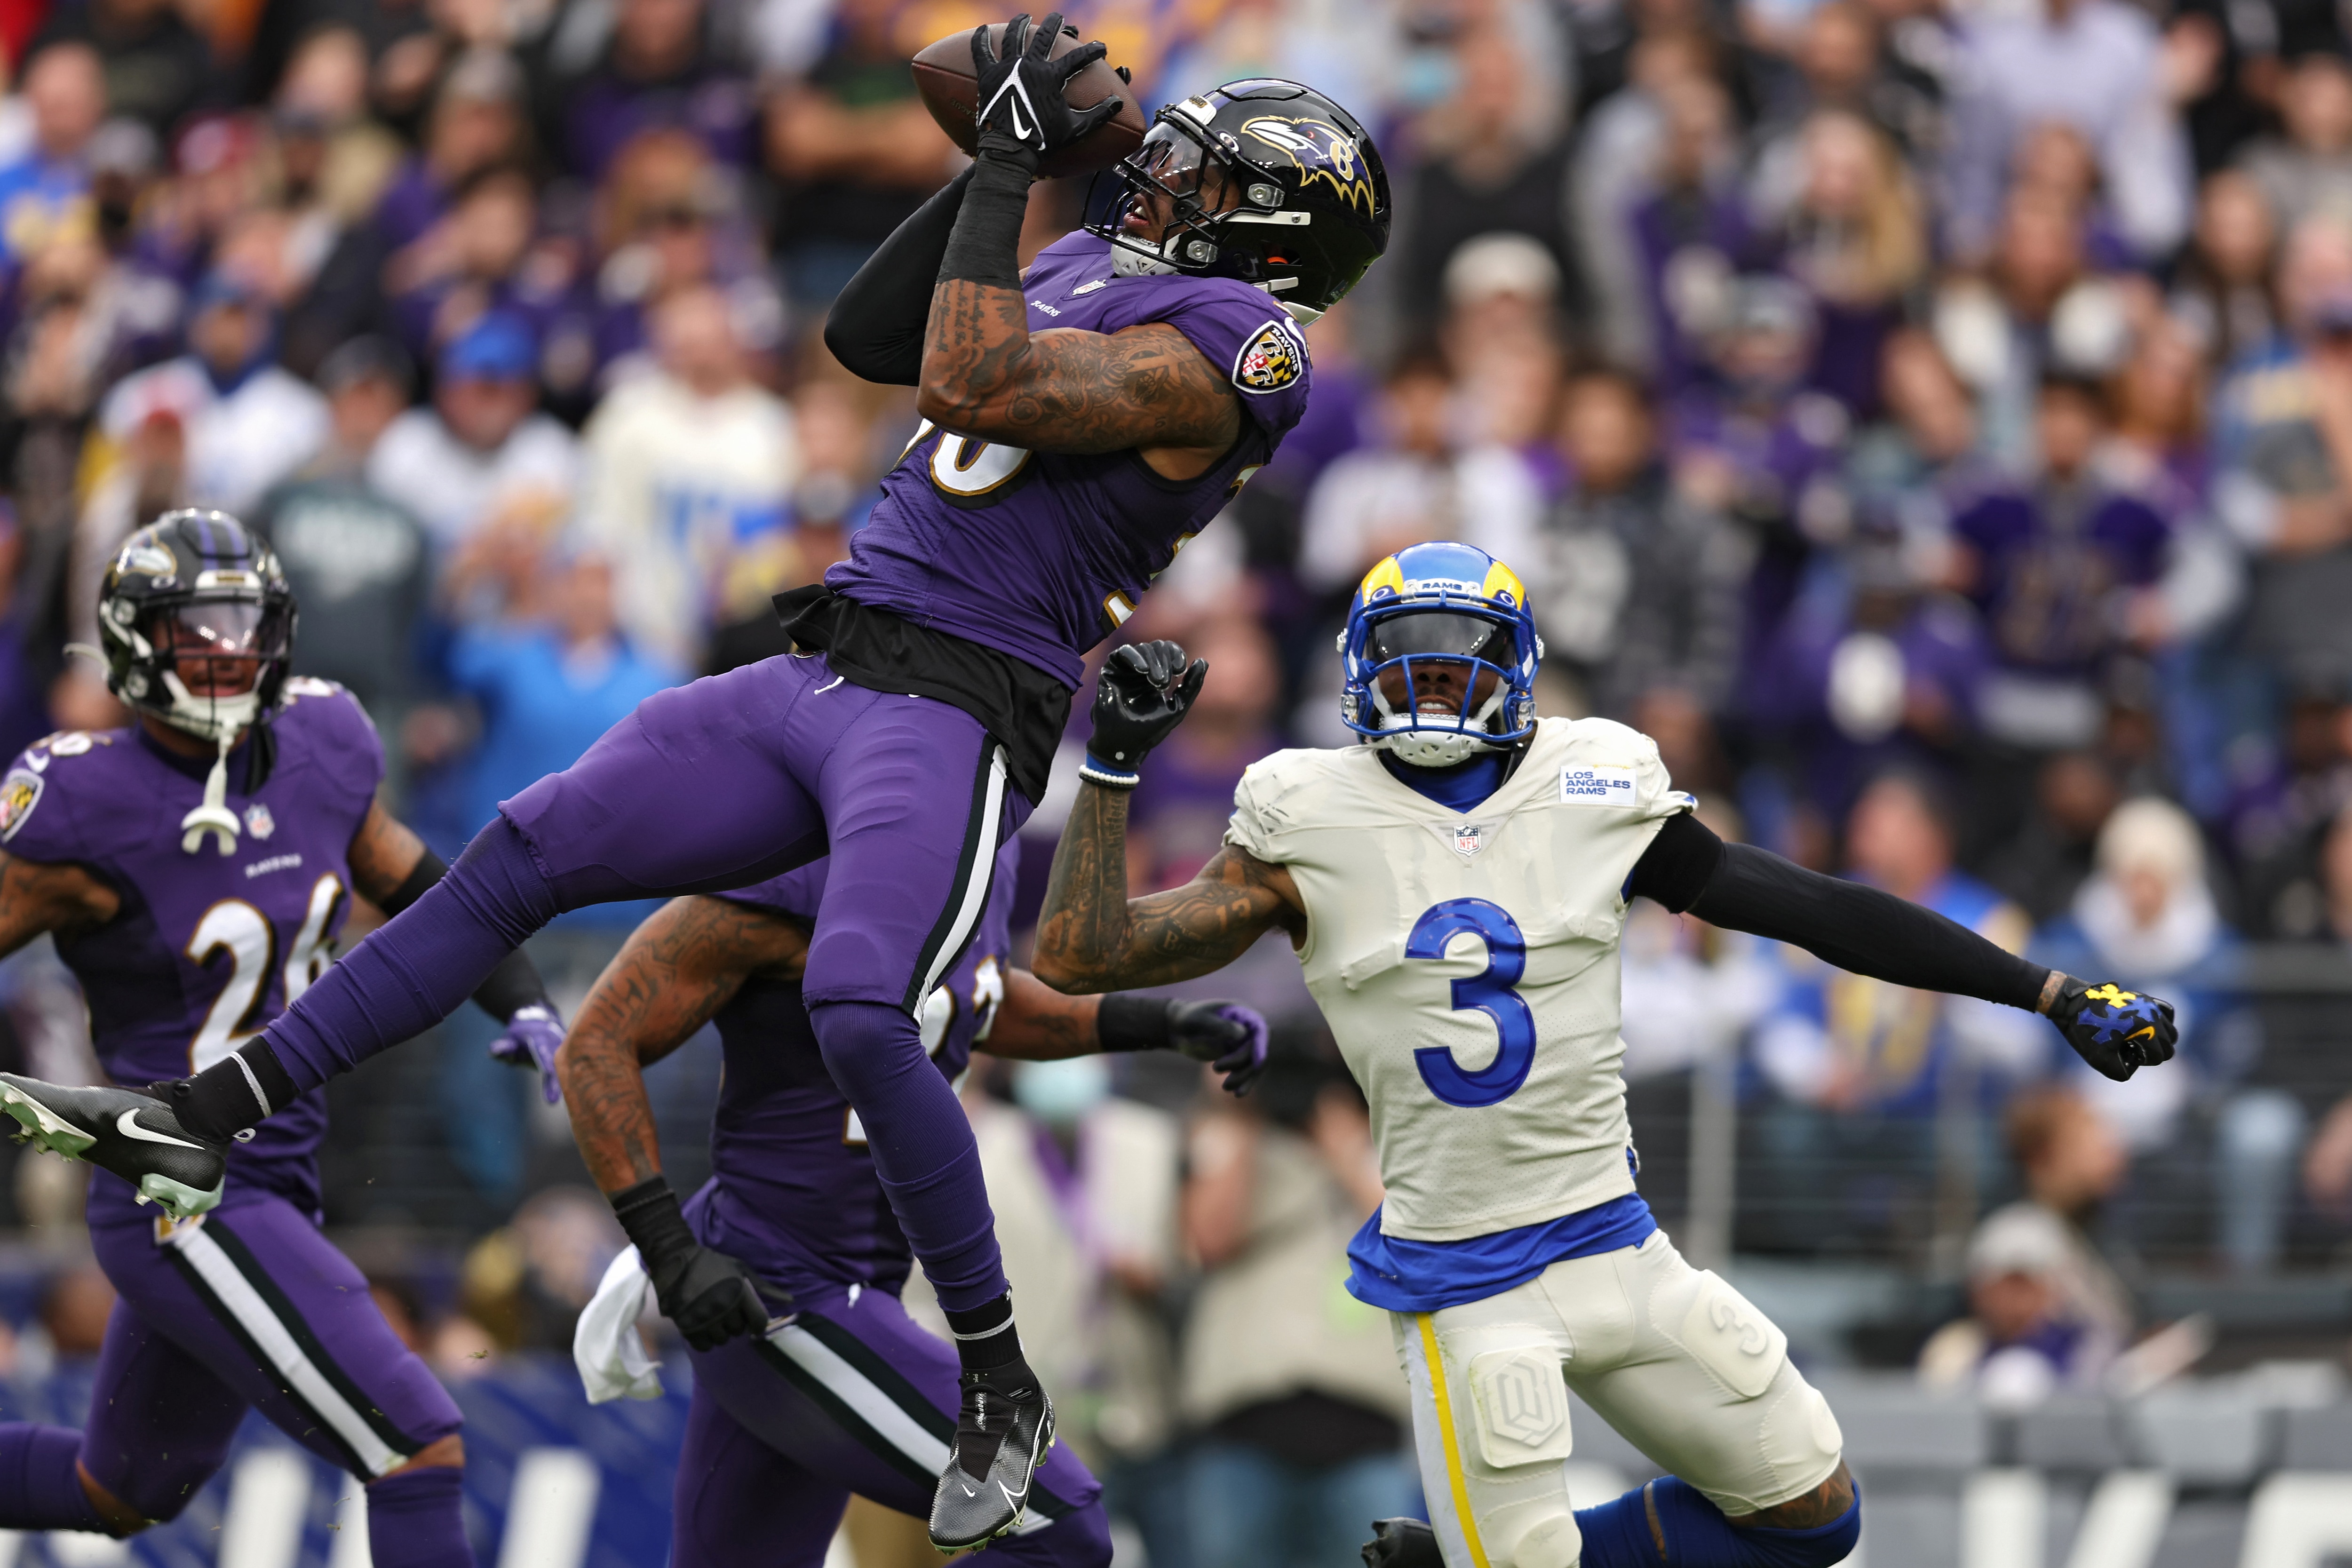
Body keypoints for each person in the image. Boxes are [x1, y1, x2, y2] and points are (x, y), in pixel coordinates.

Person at [0, 24, 1391, 1552]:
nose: (1164, 177)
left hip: (956, 699)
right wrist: (984, 162)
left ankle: (995, 1378)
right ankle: (210, 1113)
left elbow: (976, 377)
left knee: (862, 1006)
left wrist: (1007, 160)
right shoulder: (1087, 259)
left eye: (1207, 174)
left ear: (1274, 234)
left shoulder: (1247, 346)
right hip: (834, 654)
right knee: (522, 847)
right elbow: (872, 335)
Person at [1029, 540, 2180, 1568]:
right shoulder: (1306, 815)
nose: (1431, 683)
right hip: (1463, 1276)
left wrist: (2044, 988)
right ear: (1359, 668)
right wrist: (1112, 764)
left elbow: (1813, 907)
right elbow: (1081, 954)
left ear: (1516, 668)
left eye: (1457, 662)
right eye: (1409, 659)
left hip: (1613, 1239)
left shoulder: (1591, 782)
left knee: (1812, 1513)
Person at [0, 511, 563, 1565]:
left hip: (280, 1172)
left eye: (244, 623)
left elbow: (424, 891)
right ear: (133, 640)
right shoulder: (80, 797)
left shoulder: (323, 739)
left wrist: (519, 994)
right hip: (181, 1188)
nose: (227, 649)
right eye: (198, 627)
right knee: (416, 1440)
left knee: (119, 1489)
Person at [555, 840, 1267, 1568]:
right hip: (783, 1282)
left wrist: (1156, 1022)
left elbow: (976, 998)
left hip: (850, 1286)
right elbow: (595, 1041)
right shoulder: (803, 865)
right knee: (1057, 1526)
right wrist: (667, 1247)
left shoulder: (976, 850)